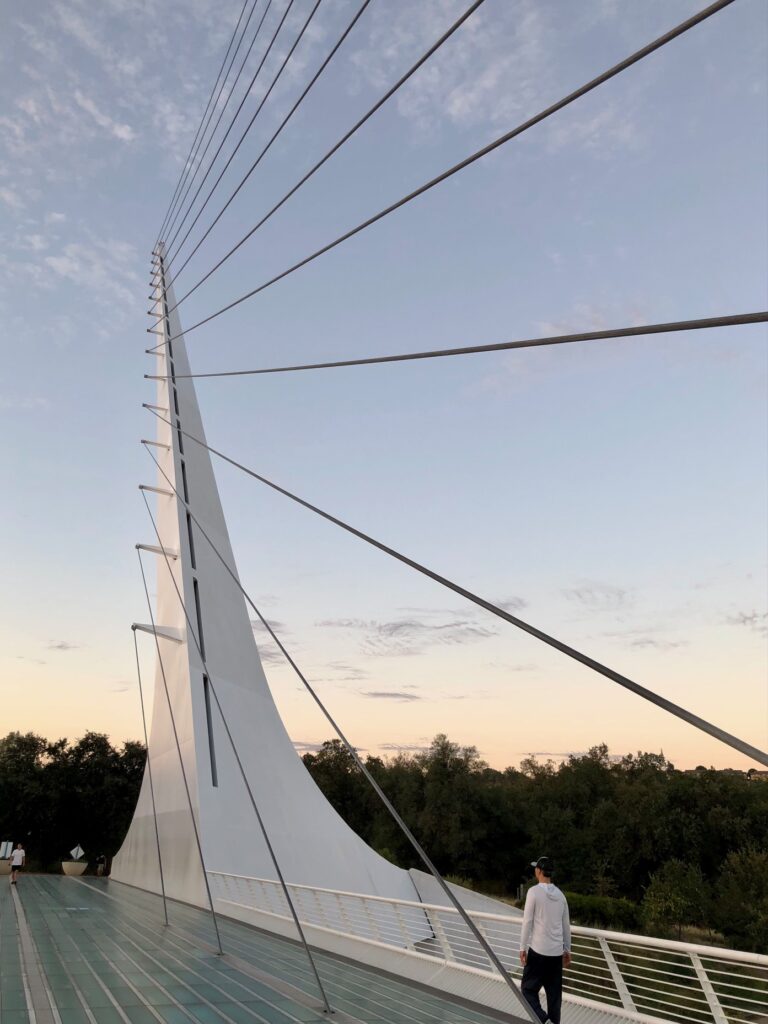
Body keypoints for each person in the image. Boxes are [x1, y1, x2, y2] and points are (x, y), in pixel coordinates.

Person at [519, 856, 571, 1024]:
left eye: (536, 868)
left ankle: (543, 1020)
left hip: (538, 952)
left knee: (527, 991)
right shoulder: (561, 896)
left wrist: (522, 948)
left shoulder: (533, 892)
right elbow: (566, 926)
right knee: (554, 998)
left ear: (539, 871)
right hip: (556, 954)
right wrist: (567, 950)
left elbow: (527, 921)